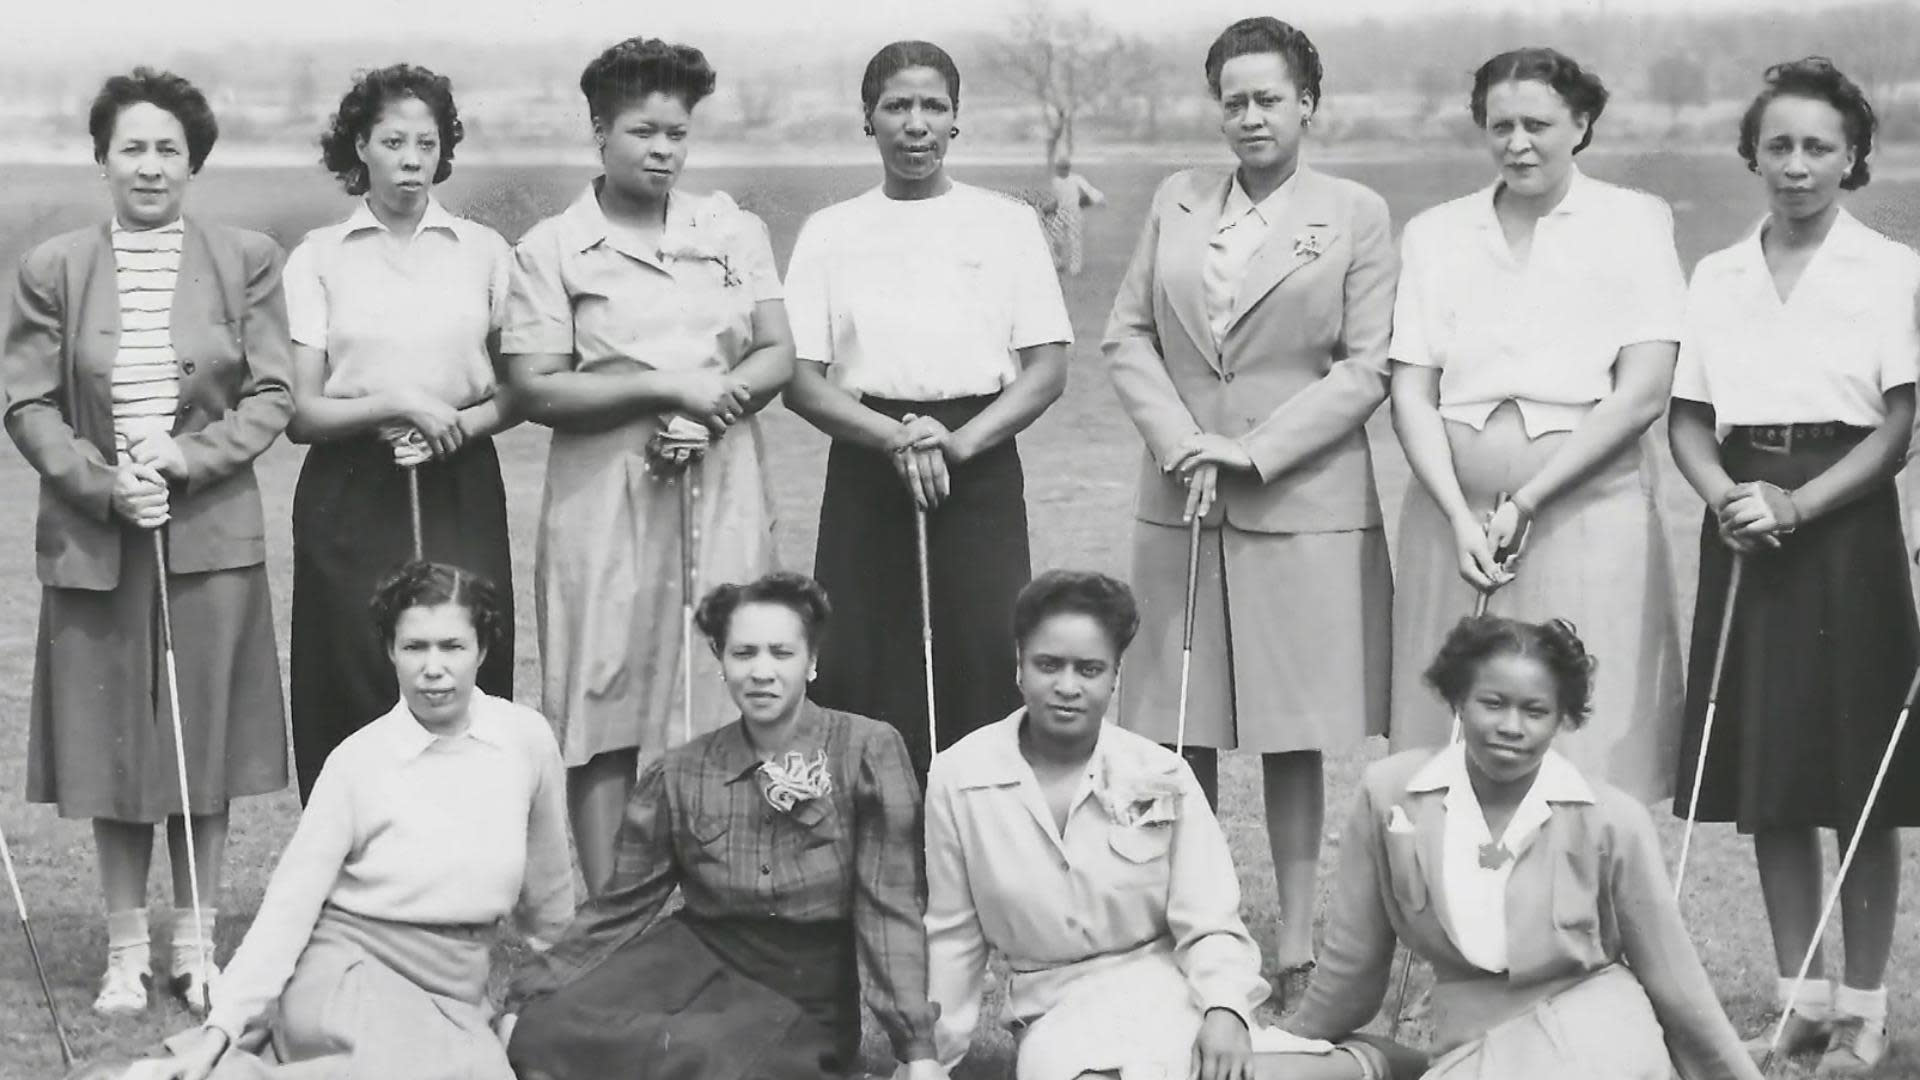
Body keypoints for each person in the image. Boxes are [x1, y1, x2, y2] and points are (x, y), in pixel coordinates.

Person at [1105, 16, 1395, 1000]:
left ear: (1307, 103)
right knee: (1171, 720)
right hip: (1179, 490)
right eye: (1233, 99)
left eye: (1269, 97)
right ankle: (1179, 921)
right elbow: (1128, 335)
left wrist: (1253, 450)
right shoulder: (1176, 199)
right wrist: (1184, 440)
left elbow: (1366, 369)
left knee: (1288, 727)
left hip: (1297, 498)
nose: (1250, 116)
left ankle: (1300, 941)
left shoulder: (1354, 211)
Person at [0, 67, 290, 1015]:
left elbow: (273, 395)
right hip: (97, 537)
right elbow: (28, 400)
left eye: (170, 148)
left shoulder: (246, 256)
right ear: (101, 161)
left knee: (198, 742)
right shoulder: (54, 266)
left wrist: (186, 460)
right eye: (133, 147)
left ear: (193, 162)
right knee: (111, 747)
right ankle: (126, 951)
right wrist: (103, 482)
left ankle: (198, 946)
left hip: (206, 537)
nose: (151, 164)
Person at [1668, 58, 1919, 1077]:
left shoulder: (1893, 268)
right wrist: (1726, 496)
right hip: (1744, 531)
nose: (1799, 165)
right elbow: (1688, 419)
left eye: (1820, 146)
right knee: (1773, 779)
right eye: (1780, 145)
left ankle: (1865, 1006)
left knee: (1854, 776)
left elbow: (1900, 425)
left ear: (1853, 155)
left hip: (1843, 524)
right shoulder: (1718, 274)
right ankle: (1800, 1001)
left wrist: (1802, 503)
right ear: (1754, 155)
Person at [926, 571, 1423, 1080]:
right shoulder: (960, 776)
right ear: (1019, 667)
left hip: (1168, 986)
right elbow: (952, 938)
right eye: (1048, 665)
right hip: (1053, 1006)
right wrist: (927, 1061)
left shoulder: (1159, 772)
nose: (1067, 687)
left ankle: (1368, 1064)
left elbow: (1209, 919)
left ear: (1115, 676)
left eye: (1090, 669)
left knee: (1236, 1071)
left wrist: (1225, 1009)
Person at [501, 36, 793, 893]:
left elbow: (775, 351)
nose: (663, 150)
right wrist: (663, 388)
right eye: (642, 131)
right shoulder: (552, 248)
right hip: (604, 494)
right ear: (599, 132)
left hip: (723, 480)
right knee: (602, 687)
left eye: (677, 133)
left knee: (726, 674)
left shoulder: (732, 229)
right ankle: (611, 910)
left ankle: (719, 898)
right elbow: (536, 386)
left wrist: (717, 406)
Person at [1385, 48, 1687, 802]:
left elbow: (1642, 392)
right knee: (1448, 734)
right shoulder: (1435, 232)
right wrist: (1460, 515)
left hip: (1586, 515)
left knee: (1586, 739)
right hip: (1452, 530)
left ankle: (1579, 912)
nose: (1517, 142)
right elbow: (1411, 390)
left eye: (1538, 124)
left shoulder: (1634, 221)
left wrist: (1527, 501)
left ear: (1582, 123)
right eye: (1500, 125)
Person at [500, 572, 944, 1080]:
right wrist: (529, 992)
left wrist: (916, 1048)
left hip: (801, 984)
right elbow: (618, 908)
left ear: (813, 663)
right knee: (546, 1032)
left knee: (701, 1059)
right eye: (743, 653)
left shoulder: (864, 750)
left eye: (781, 653)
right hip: (694, 953)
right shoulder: (683, 770)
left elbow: (889, 908)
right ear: (721, 663)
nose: (761, 671)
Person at [143, 562, 572, 1080]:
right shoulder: (358, 761)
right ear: (390, 650)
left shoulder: (525, 740)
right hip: (351, 969)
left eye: (452, 647)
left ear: (482, 650)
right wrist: (220, 1031)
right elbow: (288, 911)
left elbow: (550, 903)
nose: (433, 668)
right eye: (414, 647)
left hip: (456, 989)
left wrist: (560, 987)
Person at [1287, 616, 1763, 1079]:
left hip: (1596, 1030)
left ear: (1562, 719)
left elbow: (1677, 984)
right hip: (1469, 1040)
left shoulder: (1612, 820)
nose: (1512, 726)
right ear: (1458, 700)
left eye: (1535, 712)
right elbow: (1352, 963)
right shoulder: (1390, 794)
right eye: (1492, 703)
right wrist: (1285, 1046)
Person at [784, 40, 1073, 782]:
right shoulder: (830, 231)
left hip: (975, 456)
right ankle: (871, 858)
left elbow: (1046, 370)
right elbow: (801, 379)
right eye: (897, 106)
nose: (916, 124)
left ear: (956, 121)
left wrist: (958, 445)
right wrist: (895, 439)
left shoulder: (1005, 224)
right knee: (859, 657)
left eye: (933, 107)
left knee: (983, 650)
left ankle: (980, 848)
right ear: (868, 120)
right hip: (867, 455)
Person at [284, 63, 518, 802]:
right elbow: (302, 411)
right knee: (357, 663)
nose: (412, 158)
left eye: (427, 141)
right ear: (361, 146)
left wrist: (456, 424)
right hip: (350, 484)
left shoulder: (483, 250)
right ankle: (355, 872)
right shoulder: (319, 256)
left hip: (460, 475)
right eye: (393, 141)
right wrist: (396, 404)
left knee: (462, 653)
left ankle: (466, 861)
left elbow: (520, 388)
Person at [1042, 155, 1105, 276]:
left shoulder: (1076, 179)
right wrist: (1047, 209)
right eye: (1059, 168)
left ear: (1067, 169)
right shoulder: (1056, 181)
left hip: (1074, 213)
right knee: (1056, 238)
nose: (1060, 171)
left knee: (1074, 240)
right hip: (1060, 212)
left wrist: (1100, 199)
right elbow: (1056, 199)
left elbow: (1089, 190)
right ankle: (1058, 263)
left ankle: (1075, 268)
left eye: (1063, 168)